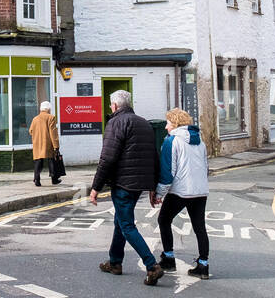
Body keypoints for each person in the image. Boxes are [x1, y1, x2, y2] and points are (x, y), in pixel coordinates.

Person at [89, 90, 161, 281]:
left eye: (110, 105)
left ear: (114, 106)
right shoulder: (144, 123)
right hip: (140, 185)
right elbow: (154, 156)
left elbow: (107, 158)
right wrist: (153, 187)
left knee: (127, 225)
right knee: (120, 221)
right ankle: (114, 262)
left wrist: (95, 187)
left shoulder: (115, 122)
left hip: (123, 183)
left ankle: (151, 265)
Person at [152, 108, 211, 281]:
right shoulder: (200, 141)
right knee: (200, 227)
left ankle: (169, 258)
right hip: (200, 191)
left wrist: (159, 194)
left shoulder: (172, 141)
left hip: (180, 190)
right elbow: (206, 167)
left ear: (175, 123)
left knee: (163, 219)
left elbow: (168, 171)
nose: (166, 127)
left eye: (168, 123)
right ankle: (203, 265)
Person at [28, 100, 60, 186]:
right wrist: (56, 146)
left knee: (38, 162)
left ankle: (37, 180)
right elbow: (53, 133)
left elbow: (30, 131)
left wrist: (37, 136)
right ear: (48, 109)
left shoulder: (35, 119)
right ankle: (54, 179)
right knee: (52, 160)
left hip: (37, 144)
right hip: (48, 143)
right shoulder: (51, 117)